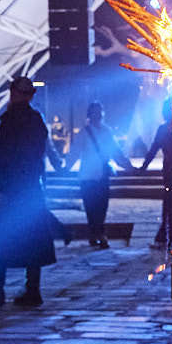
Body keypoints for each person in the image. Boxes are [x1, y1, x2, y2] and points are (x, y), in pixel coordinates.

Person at [0, 75, 59, 306]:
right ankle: (32, 290)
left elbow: (5, 157)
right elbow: (36, 155)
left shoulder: (12, 119)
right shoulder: (35, 120)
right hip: (30, 187)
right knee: (33, 240)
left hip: (11, 188)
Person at [70, 101, 126, 248]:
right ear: (90, 114)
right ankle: (97, 234)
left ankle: (97, 234)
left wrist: (128, 165)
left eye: (100, 111)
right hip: (87, 177)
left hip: (101, 176)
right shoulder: (84, 133)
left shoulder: (107, 131)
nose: (98, 114)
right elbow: (74, 152)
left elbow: (115, 151)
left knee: (101, 207)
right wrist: (65, 167)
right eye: (96, 111)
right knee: (91, 208)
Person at [140, 112, 172, 249]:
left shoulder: (170, 128)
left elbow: (153, 150)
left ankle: (168, 236)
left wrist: (143, 168)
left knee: (171, 202)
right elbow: (154, 149)